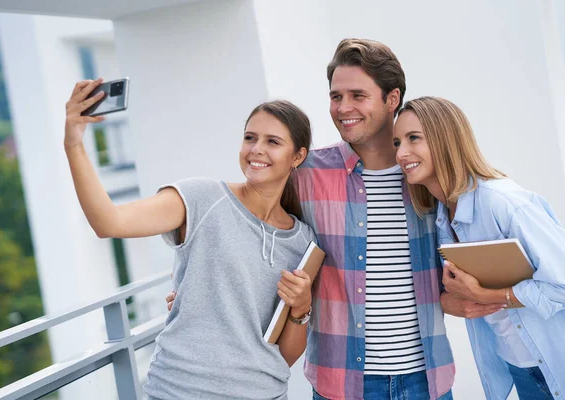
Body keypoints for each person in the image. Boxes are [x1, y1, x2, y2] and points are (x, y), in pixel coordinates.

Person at [169, 38, 457, 399]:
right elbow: (254, 225)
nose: (343, 108)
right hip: (340, 384)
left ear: (392, 98)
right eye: (336, 96)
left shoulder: (425, 176)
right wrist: (199, 284)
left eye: (357, 95)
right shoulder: (304, 175)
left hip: (427, 382)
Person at [64, 80, 318, 400]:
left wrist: (302, 307)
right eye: (250, 137)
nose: (256, 149)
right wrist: (73, 143)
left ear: (298, 156)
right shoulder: (202, 197)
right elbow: (108, 222)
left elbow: (285, 356)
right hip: (180, 391)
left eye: (273, 141)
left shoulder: (302, 241)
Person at [393, 96, 565, 400]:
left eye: (414, 138)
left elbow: (561, 286)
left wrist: (489, 296)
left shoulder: (504, 202)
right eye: (397, 143)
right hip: (519, 366)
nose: (402, 153)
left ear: (446, 139)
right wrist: (452, 301)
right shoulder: (442, 217)